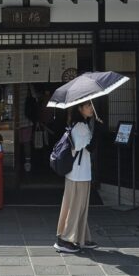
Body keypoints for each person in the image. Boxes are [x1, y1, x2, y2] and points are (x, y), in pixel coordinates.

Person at [54, 101, 97, 254]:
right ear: (80, 108)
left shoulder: (80, 125)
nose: (91, 108)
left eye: (91, 105)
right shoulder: (80, 126)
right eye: (88, 106)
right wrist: (95, 133)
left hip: (79, 173)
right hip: (78, 174)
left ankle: (81, 237)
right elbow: (83, 146)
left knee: (78, 207)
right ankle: (64, 239)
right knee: (75, 207)